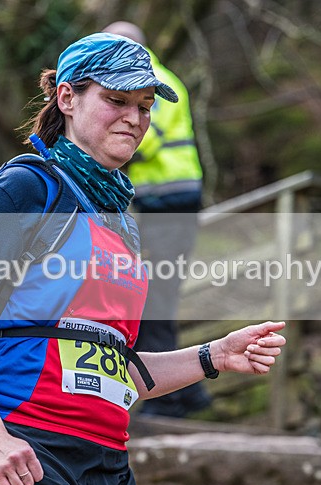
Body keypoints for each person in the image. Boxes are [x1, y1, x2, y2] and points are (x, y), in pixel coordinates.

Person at [0, 32, 286, 485]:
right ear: (67, 98)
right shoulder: (26, 186)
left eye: (145, 105)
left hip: (106, 471)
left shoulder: (121, 221)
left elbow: (115, 370)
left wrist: (214, 356)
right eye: (116, 100)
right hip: (22, 450)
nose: (134, 118)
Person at [103, 21, 209, 418]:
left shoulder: (154, 83)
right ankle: (188, 395)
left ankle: (165, 401)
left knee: (154, 296)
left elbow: (148, 139)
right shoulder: (154, 78)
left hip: (172, 201)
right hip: (161, 203)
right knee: (154, 294)